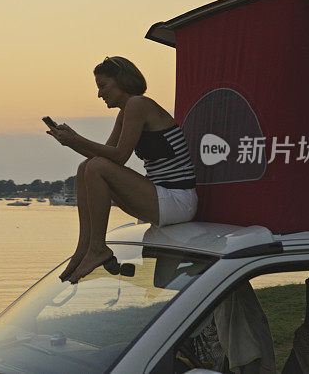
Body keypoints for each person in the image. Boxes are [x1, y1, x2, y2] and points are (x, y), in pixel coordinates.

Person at [46, 56, 198, 283]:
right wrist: (71, 142)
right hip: (161, 199)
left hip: (178, 200)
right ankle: (85, 248)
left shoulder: (139, 104)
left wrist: (76, 138)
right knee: (84, 168)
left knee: (94, 167)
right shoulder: (125, 112)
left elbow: (119, 156)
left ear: (122, 82)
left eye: (103, 86)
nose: (99, 94)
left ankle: (97, 248)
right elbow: (103, 159)